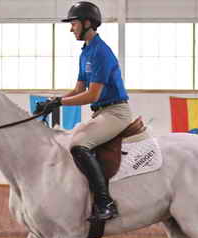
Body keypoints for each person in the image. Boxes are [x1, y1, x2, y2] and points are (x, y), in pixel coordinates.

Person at [35, 1, 132, 221]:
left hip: (116, 112)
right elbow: (79, 89)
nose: (71, 29)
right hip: (102, 113)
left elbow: (92, 95)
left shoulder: (101, 52)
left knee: (79, 146)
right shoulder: (86, 52)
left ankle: (105, 203)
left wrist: (59, 103)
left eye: (74, 24)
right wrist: (53, 101)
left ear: (87, 23)